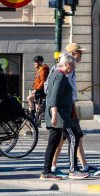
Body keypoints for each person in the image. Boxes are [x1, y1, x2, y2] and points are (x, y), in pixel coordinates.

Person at [51, 43, 99, 177]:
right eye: (79, 52)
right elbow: (54, 89)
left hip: (69, 106)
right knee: (73, 136)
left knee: (71, 137)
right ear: (72, 54)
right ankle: (73, 168)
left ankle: (81, 166)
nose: (81, 55)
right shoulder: (62, 69)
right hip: (65, 108)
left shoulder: (70, 69)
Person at [40, 53, 89, 180]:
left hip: (58, 115)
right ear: (66, 64)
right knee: (74, 137)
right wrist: (54, 114)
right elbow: (54, 97)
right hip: (61, 116)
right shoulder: (60, 77)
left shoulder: (54, 75)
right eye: (72, 65)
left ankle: (46, 172)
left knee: (53, 143)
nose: (73, 68)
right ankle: (73, 170)